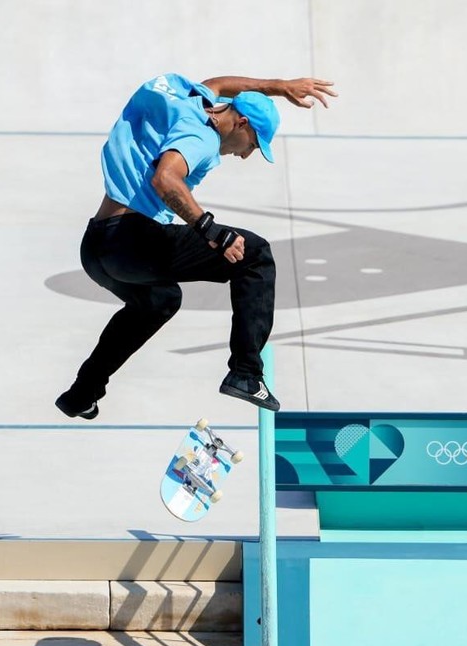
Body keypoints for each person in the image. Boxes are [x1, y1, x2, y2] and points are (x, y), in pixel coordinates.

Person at [56, 73, 336, 419]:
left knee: (160, 300)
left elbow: (217, 83)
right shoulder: (200, 137)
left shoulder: (189, 97)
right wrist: (211, 230)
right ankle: (246, 373)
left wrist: (277, 87)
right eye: (253, 143)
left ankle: (82, 393)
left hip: (97, 247)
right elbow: (165, 178)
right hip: (132, 240)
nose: (246, 155)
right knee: (255, 255)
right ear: (240, 122)